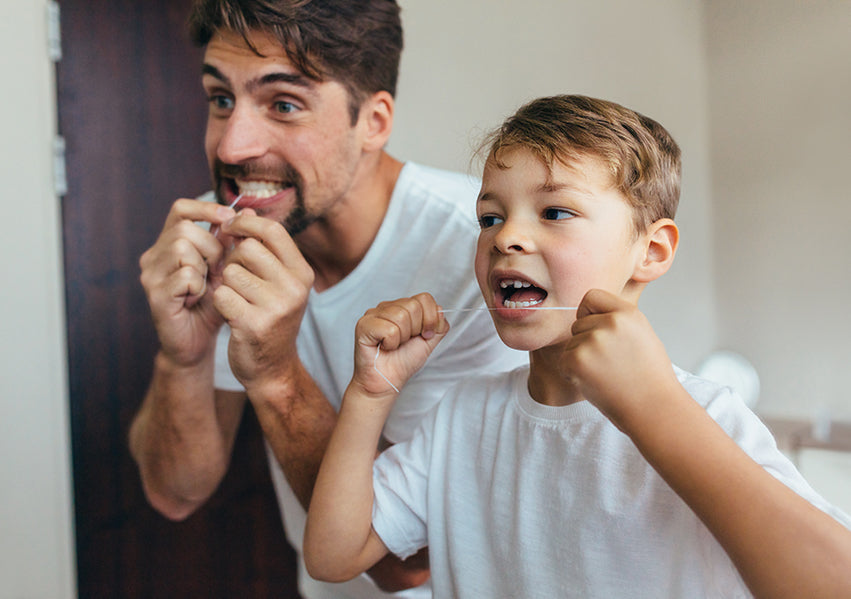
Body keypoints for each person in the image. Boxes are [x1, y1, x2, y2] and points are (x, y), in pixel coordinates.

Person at [303, 94, 851, 598]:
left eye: (554, 212)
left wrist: (653, 407)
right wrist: (370, 394)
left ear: (652, 251)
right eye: (489, 218)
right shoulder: (462, 417)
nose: (505, 237)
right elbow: (333, 555)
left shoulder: (705, 414)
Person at [128, 1, 525, 598]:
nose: (233, 147)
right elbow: (175, 493)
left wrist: (276, 375)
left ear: (374, 120)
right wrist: (181, 356)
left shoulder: (486, 256)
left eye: (283, 104)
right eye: (220, 99)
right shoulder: (224, 242)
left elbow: (407, 561)